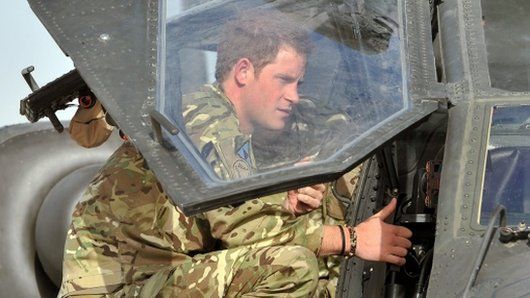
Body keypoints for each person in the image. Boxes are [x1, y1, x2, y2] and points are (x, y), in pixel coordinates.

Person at [60, 11, 412, 298]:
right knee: (288, 267)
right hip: (120, 290)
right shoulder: (203, 116)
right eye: (284, 79)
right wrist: (350, 240)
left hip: (163, 278)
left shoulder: (240, 127)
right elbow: (247, 229)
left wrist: (286, 204)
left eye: (299, 83)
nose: (293, 95)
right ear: (244, 71)